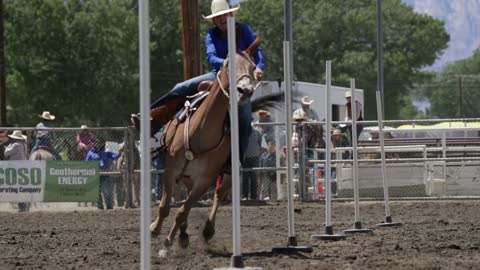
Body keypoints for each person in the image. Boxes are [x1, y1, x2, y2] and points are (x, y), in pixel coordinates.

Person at [131, 0, 265, 159]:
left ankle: (240, 158)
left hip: (240, 80)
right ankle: (150, 116)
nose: (222, 19)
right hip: (218, 75)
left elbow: (258, 52)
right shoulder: (211, 34)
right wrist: (225, 63)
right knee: (181, 87)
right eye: (218, 17)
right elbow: (211, 56)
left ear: (230, 14)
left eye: (224, 15)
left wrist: (259, 67)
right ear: (214, 20)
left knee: (244, 116)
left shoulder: (244, 29)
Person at [86, 137, 122, 210]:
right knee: (97, 191)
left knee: (107, 191)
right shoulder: (90, 153)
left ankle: (109, 206)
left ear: (102, 144)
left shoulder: (106, 151)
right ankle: (100, 206)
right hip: (95, 175)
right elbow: (87, 164)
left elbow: (114, 157)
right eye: (96, 143)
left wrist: (119, 151)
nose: (97, 144)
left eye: (99, 143)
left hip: (105, 174)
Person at [4, 130, 29, 212]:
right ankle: (23, 204)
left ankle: (21, 204)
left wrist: (7, 146)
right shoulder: (23, 144)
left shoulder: (14, 145)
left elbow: (6, 153)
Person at [242, 126, 263, 200]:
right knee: (245, 178)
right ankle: (245, 196)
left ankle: (253, 196)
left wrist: (257, 154)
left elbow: (261, 145)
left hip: (255, 158)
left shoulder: (257, 133)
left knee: (254, 177)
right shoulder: (242, 132)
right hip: (245, 158)